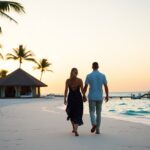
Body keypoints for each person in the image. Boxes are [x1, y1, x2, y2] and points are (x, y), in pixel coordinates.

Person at [84, 62, 109, 134]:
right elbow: (105, 86)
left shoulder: (89, 76)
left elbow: (85, 87)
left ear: (92, 67)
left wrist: (83, 95)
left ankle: (94, 124)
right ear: (98, 67)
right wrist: (107, 95)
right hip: (99, 97)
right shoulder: (102, 75)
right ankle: (97, 130)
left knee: (92, 112)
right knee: (99, 113)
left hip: (92, 96)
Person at [64, 68, 86, 136]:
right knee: (78, 112)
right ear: (76, 73)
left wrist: (65, 98)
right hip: (78, 98)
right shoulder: (79, 80)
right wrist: (84, 96)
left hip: (71, 98)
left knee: (70, 112)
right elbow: (82, 90)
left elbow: (66, 90)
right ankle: (75, 129)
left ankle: (74, 128)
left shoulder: (68, 81)